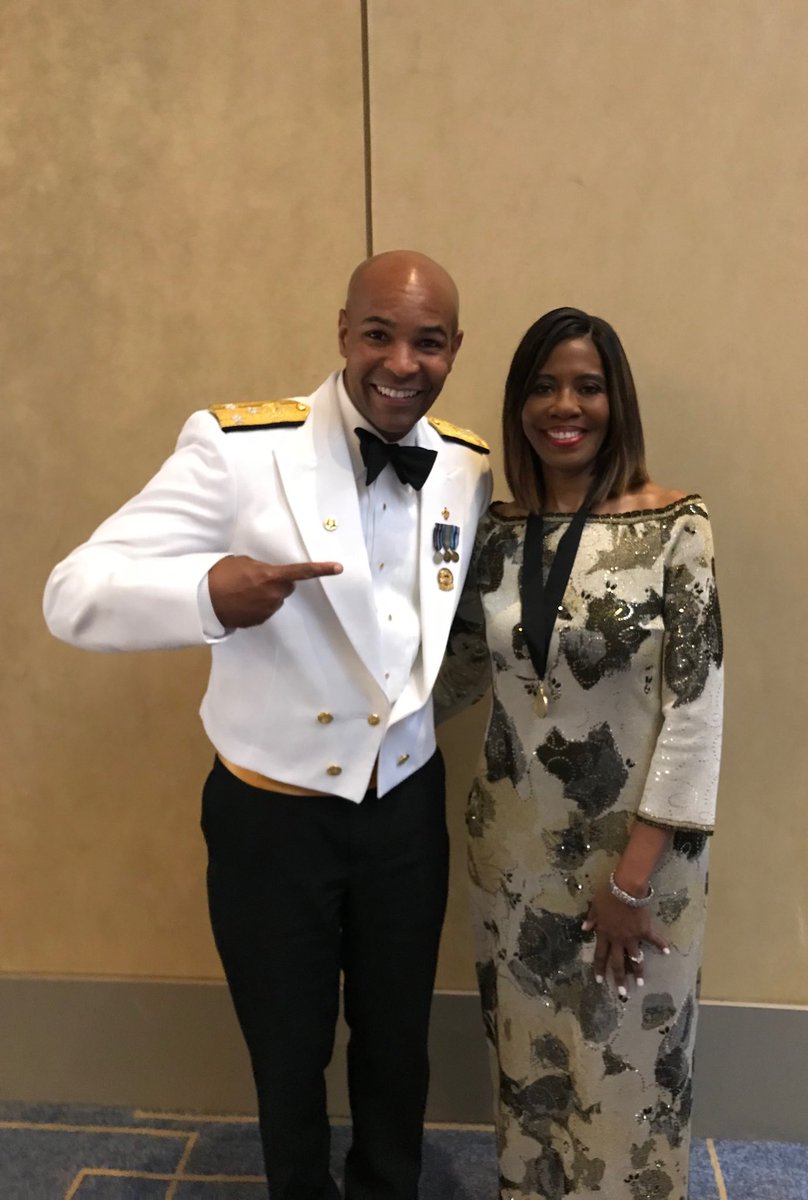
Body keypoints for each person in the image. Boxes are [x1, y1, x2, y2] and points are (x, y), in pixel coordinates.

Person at [43, 250, 492, 1200]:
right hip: (273, 815)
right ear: (342, 333)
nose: (401, 363)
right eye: (379, 335)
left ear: (455, 349)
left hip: (405, 806)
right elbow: (72, 593)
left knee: (397, 1041)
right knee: (288, 1048)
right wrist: (204, 595)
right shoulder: (238, 449)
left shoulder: (466, 464)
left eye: (428, 342)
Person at [436, 308, 723, 1200]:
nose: (565, 406)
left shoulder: (676, 526)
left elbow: (696, 712)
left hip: (640, 856)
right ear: (519, 402)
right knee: (532, 1071)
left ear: (616, 400)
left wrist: (631, 885)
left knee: (631, 1073)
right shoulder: (497, 533)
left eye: (587, 386)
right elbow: (449, 675)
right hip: (512, 854)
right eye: (544, 386)